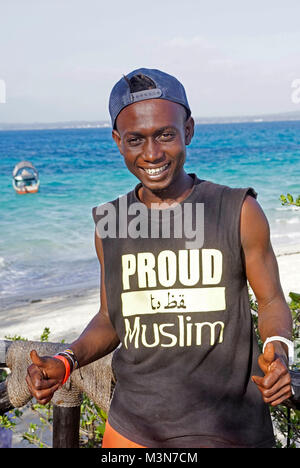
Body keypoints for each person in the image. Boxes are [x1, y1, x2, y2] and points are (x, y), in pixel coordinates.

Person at [26, 68, 294, 448]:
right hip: (133, 428)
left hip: (230, 428)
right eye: (136, 139)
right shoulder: (111, 224)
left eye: (164, 135)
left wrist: (278, 351)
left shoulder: (238, 210)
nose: (151, 153)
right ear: (119, 142)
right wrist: (66, 361)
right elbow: (110, 318)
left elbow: (270, 301)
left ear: (188, 130)